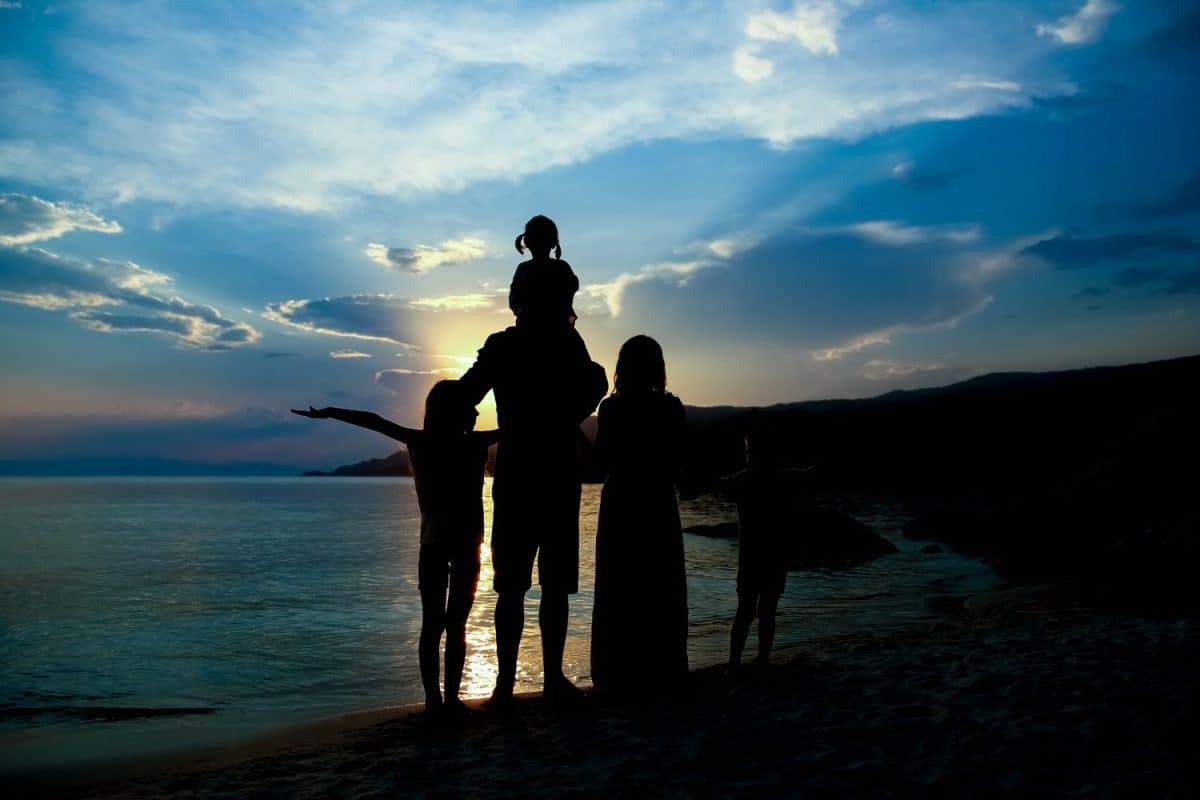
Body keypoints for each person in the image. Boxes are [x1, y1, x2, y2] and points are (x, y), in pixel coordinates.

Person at [292, 381, 499, 715]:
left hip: (444, 545)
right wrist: (332, 413)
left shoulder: (436, 442)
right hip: (453, 545)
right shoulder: (454, 443)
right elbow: (373, 420)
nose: (476, 411)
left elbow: (374, 420)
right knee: (447, 623)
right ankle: (442, 700)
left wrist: (331, 412)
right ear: (453, 410)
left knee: (439, 623)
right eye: (469, 406)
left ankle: (441, 700)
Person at [458, 277, 608, 706]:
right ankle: (544, 678)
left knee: (517, 585)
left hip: (522, 470)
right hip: (554, 470)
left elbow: (468, 391)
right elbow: (594, 383)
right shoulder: (566, 342)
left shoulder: (509, 345)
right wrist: (571, 411)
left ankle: (512, 682)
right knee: (545, 584)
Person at [590, 335, 689, 696]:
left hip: (621, 503)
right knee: (661, 587)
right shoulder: (671, 408)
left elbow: (602, 461)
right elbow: (678, 462)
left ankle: (617, 674)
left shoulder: (612, 410)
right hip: (658, 502)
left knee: (620, 588)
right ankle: (664, 670)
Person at [722, 423, 805, 676]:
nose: (747, 457)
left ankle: (735, 663)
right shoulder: (784, 478)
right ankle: (762, 660)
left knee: (746, 612)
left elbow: (714, 485)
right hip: (775, 557)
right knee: (767, 611)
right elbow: (811, 474)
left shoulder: (744, 480)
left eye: (749, 452)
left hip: (751, 559)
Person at [509, 214, 579, 325]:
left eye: (541, 238)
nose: (538, 243)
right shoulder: (523, 269)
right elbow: (514, 299)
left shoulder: (561, 268)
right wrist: (521, 311)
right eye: (535, 238)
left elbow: (568, 293)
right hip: (528, 326)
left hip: (557, 326)